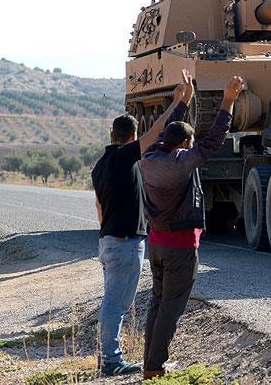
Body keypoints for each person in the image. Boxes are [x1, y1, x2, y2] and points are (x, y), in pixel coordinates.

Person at [139, 74, 244, 379]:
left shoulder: (150, 158)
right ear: (184, 145)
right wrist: (228, 102)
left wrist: (183, 102)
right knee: (170, 310)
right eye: (190, 143)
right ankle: (154, 368)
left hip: (157, 244)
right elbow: (212, 141)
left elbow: (165, 136)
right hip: (181, 248)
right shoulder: (181, 163)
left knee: (157, 305)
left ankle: (150, 362)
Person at [90, 70, 194, 377]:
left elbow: (98, 206)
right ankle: (111, 360)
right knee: (116, 304)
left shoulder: (100, 165)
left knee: (113, 301)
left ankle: (109, 356)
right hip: (123, 243)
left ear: (112, 135)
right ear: (132, 138)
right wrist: (179, 102)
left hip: (109, 239)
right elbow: (159, 134)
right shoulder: (125, 158)